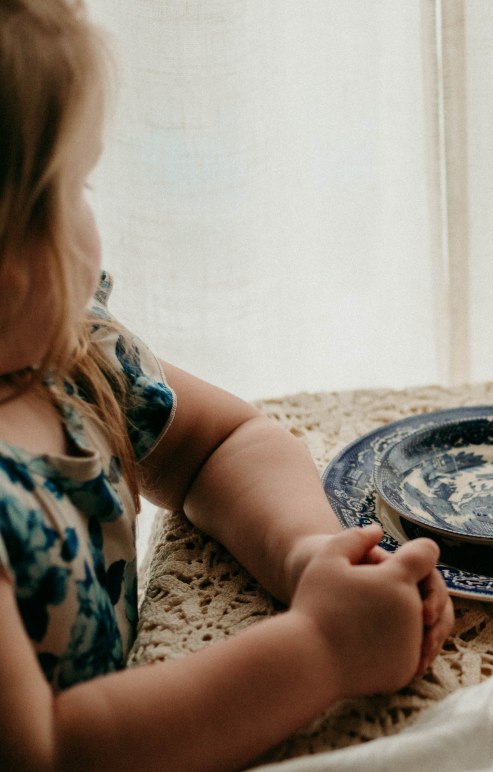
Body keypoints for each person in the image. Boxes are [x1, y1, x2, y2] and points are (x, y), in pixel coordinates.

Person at [0, 1, 454, 768]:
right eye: (77, 189)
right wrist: (322, 647)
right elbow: (49, 750)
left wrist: (310, 555)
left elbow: (216, 445)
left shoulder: (73, 356)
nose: (93, 220)